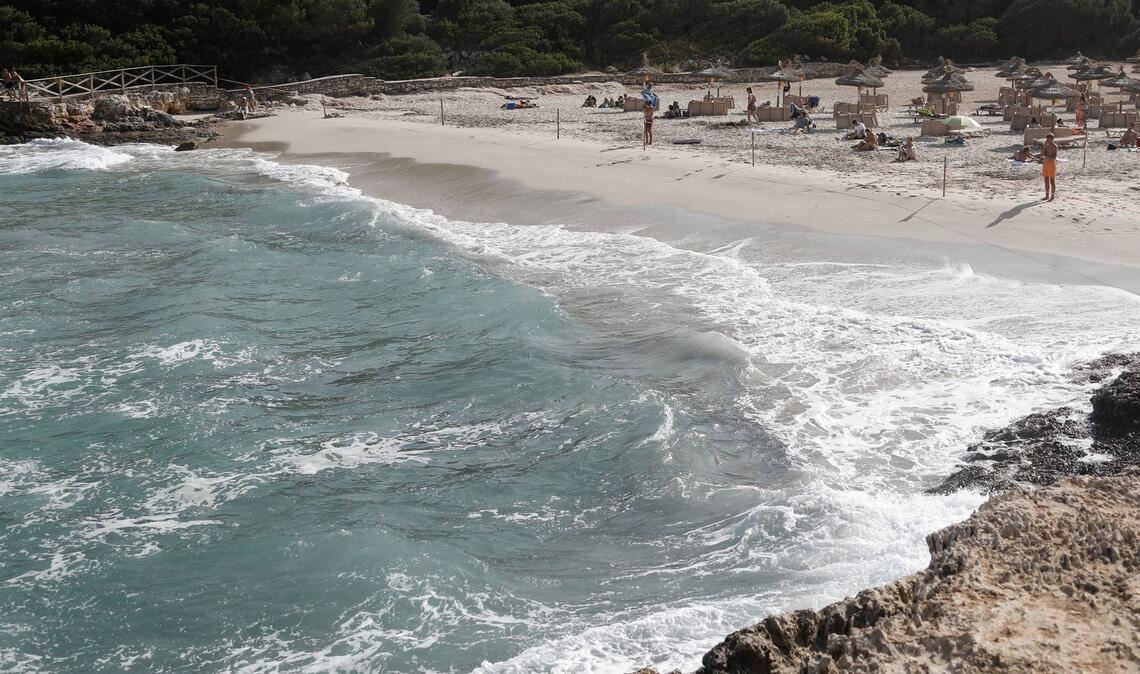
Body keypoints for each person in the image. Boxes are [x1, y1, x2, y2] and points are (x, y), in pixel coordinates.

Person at [1041, 133, 1058, 201]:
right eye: (1047, 139)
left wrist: (1047, 157)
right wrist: (1044, 146)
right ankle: (1047, 195)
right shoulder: (1046, 145)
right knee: (1046, 180)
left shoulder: (1055, 146)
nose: (1047, 140)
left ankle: (1052, 195)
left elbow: (1054, 157)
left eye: (1049, 139)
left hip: (1051, 164)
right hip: (1045, 163)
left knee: (1052, 180)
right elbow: (1042, 154)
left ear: (1052, 139)